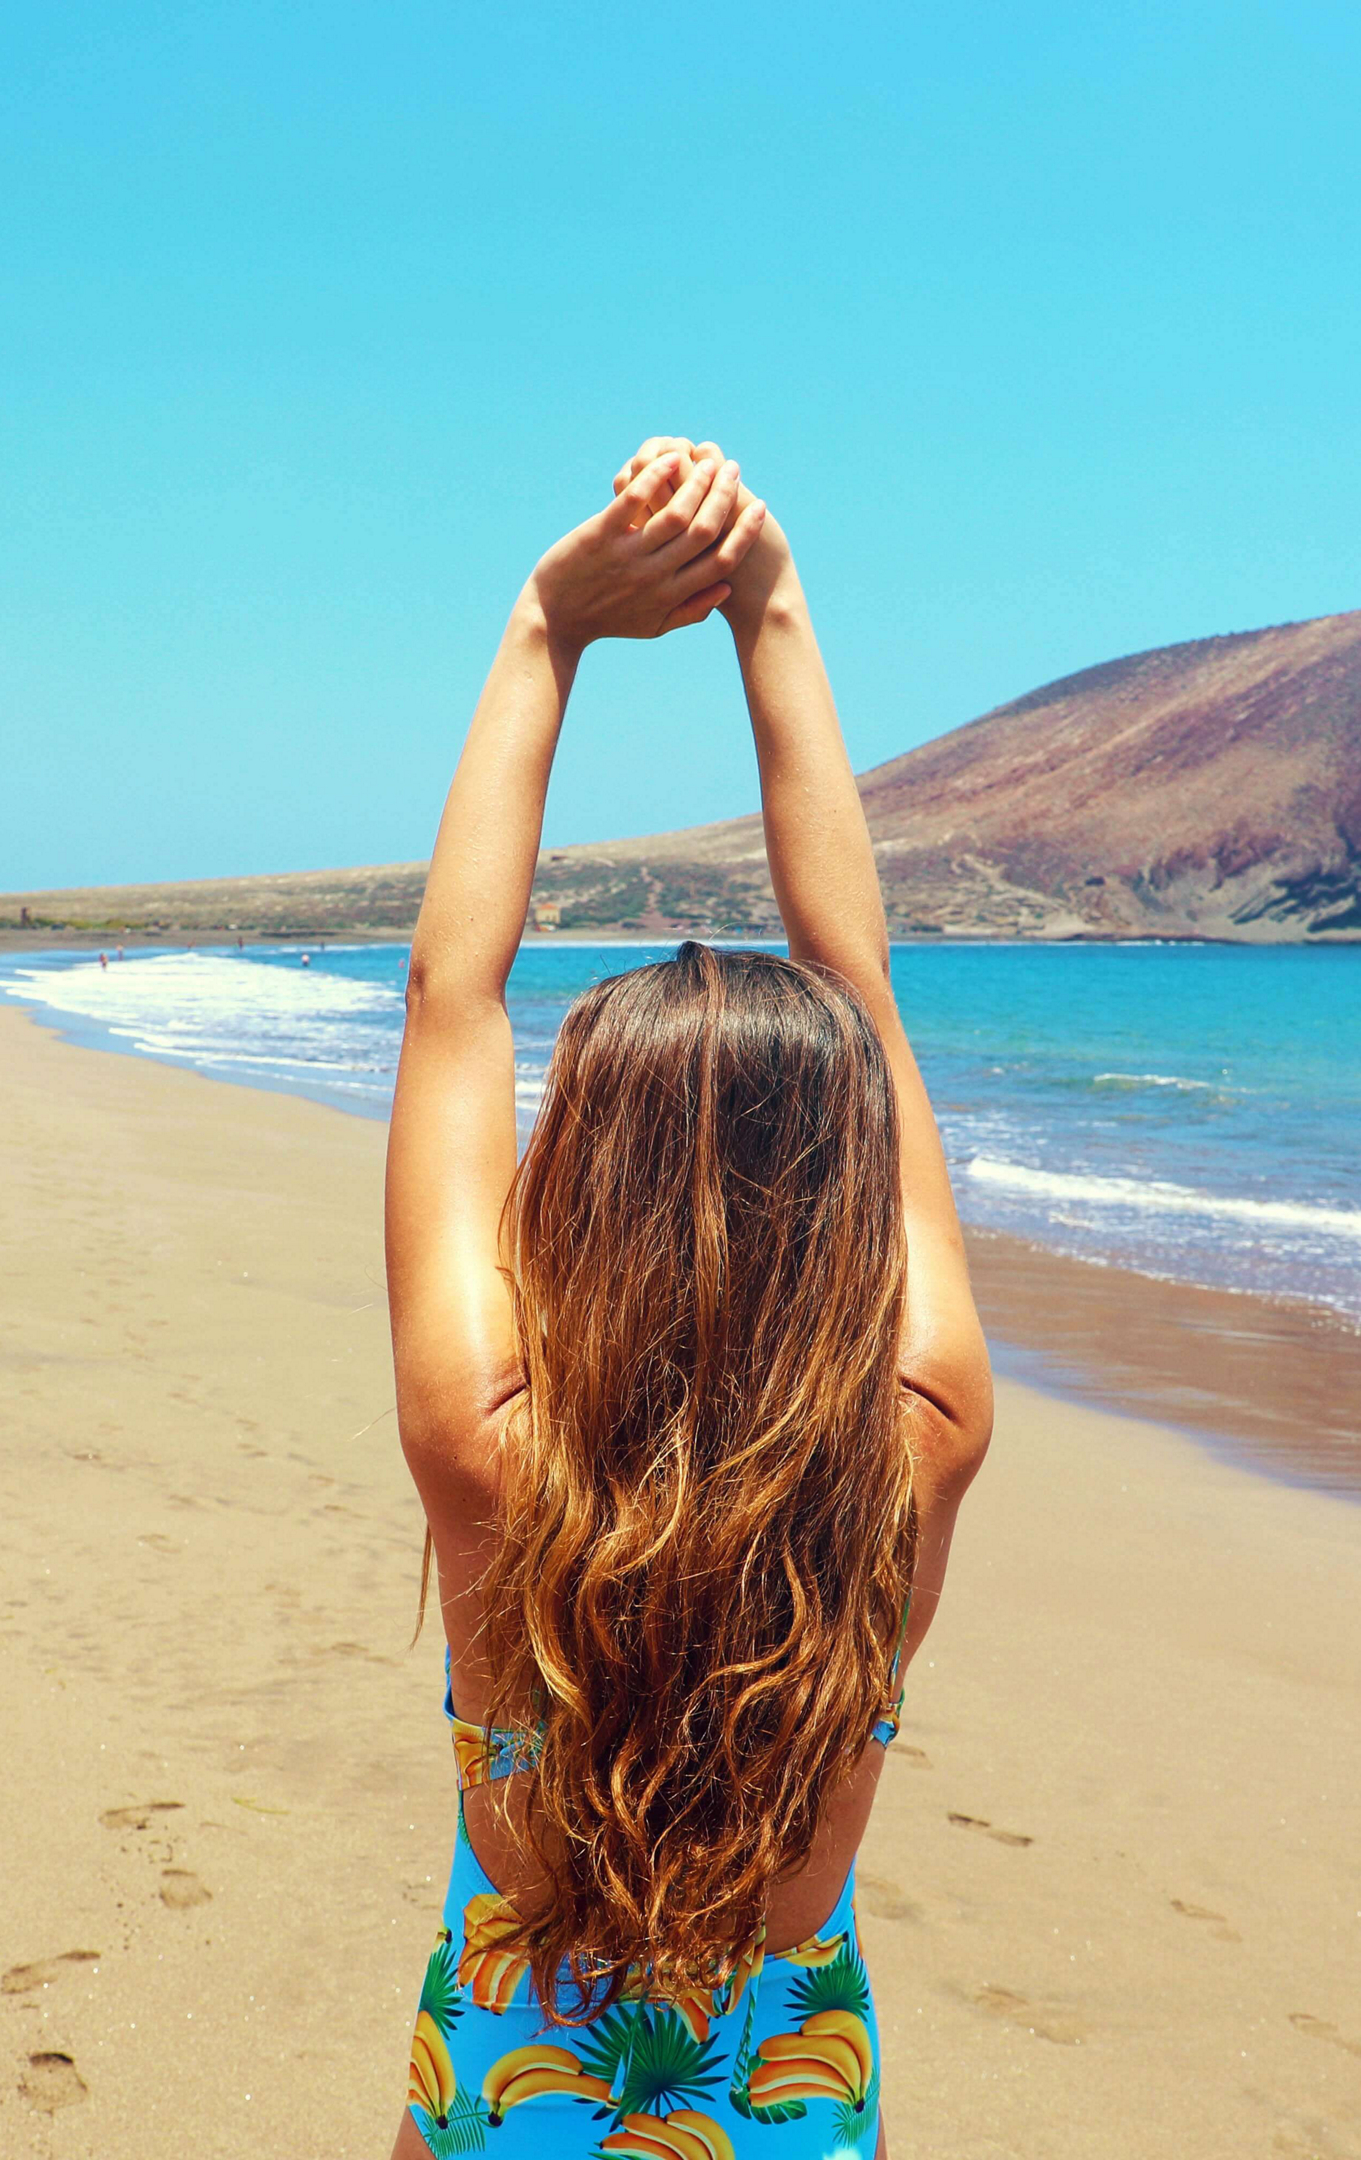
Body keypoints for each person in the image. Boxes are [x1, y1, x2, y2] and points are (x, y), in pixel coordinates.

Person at [384, 441, 994, 2158]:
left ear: (580, 1182)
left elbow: (453, 999)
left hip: (512, 2080)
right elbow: (852, 983)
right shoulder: (917, 1438)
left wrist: (544, 634)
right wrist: (771, 607)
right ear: (845, 1202)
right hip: (786, 2093)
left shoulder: (492, 1454)